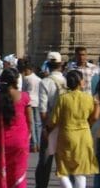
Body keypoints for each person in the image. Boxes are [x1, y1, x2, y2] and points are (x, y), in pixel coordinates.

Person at [48, 69, 96, 188]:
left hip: (66, 134)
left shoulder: (63, 98)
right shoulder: (88, 98)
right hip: (84, 135)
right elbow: (93, 116)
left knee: (63, 170)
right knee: (81, 171)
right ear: (80, 82)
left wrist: (47, 130)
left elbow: (54, 120)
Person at [0, 67, 31, 188]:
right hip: (19, 142)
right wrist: (28, 135)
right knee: (18, 174)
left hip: (0, 142)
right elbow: (30, 121)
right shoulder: (24, 97)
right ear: (16, 81)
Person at [36, 52, 68, 188]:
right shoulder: (68, 81)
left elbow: (42, 110)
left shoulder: (45, 82)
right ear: (61, 65)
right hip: (66, 125)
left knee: (45, 161)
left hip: (50, 124)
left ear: (47, 65)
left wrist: (46, 128)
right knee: (65, 161)